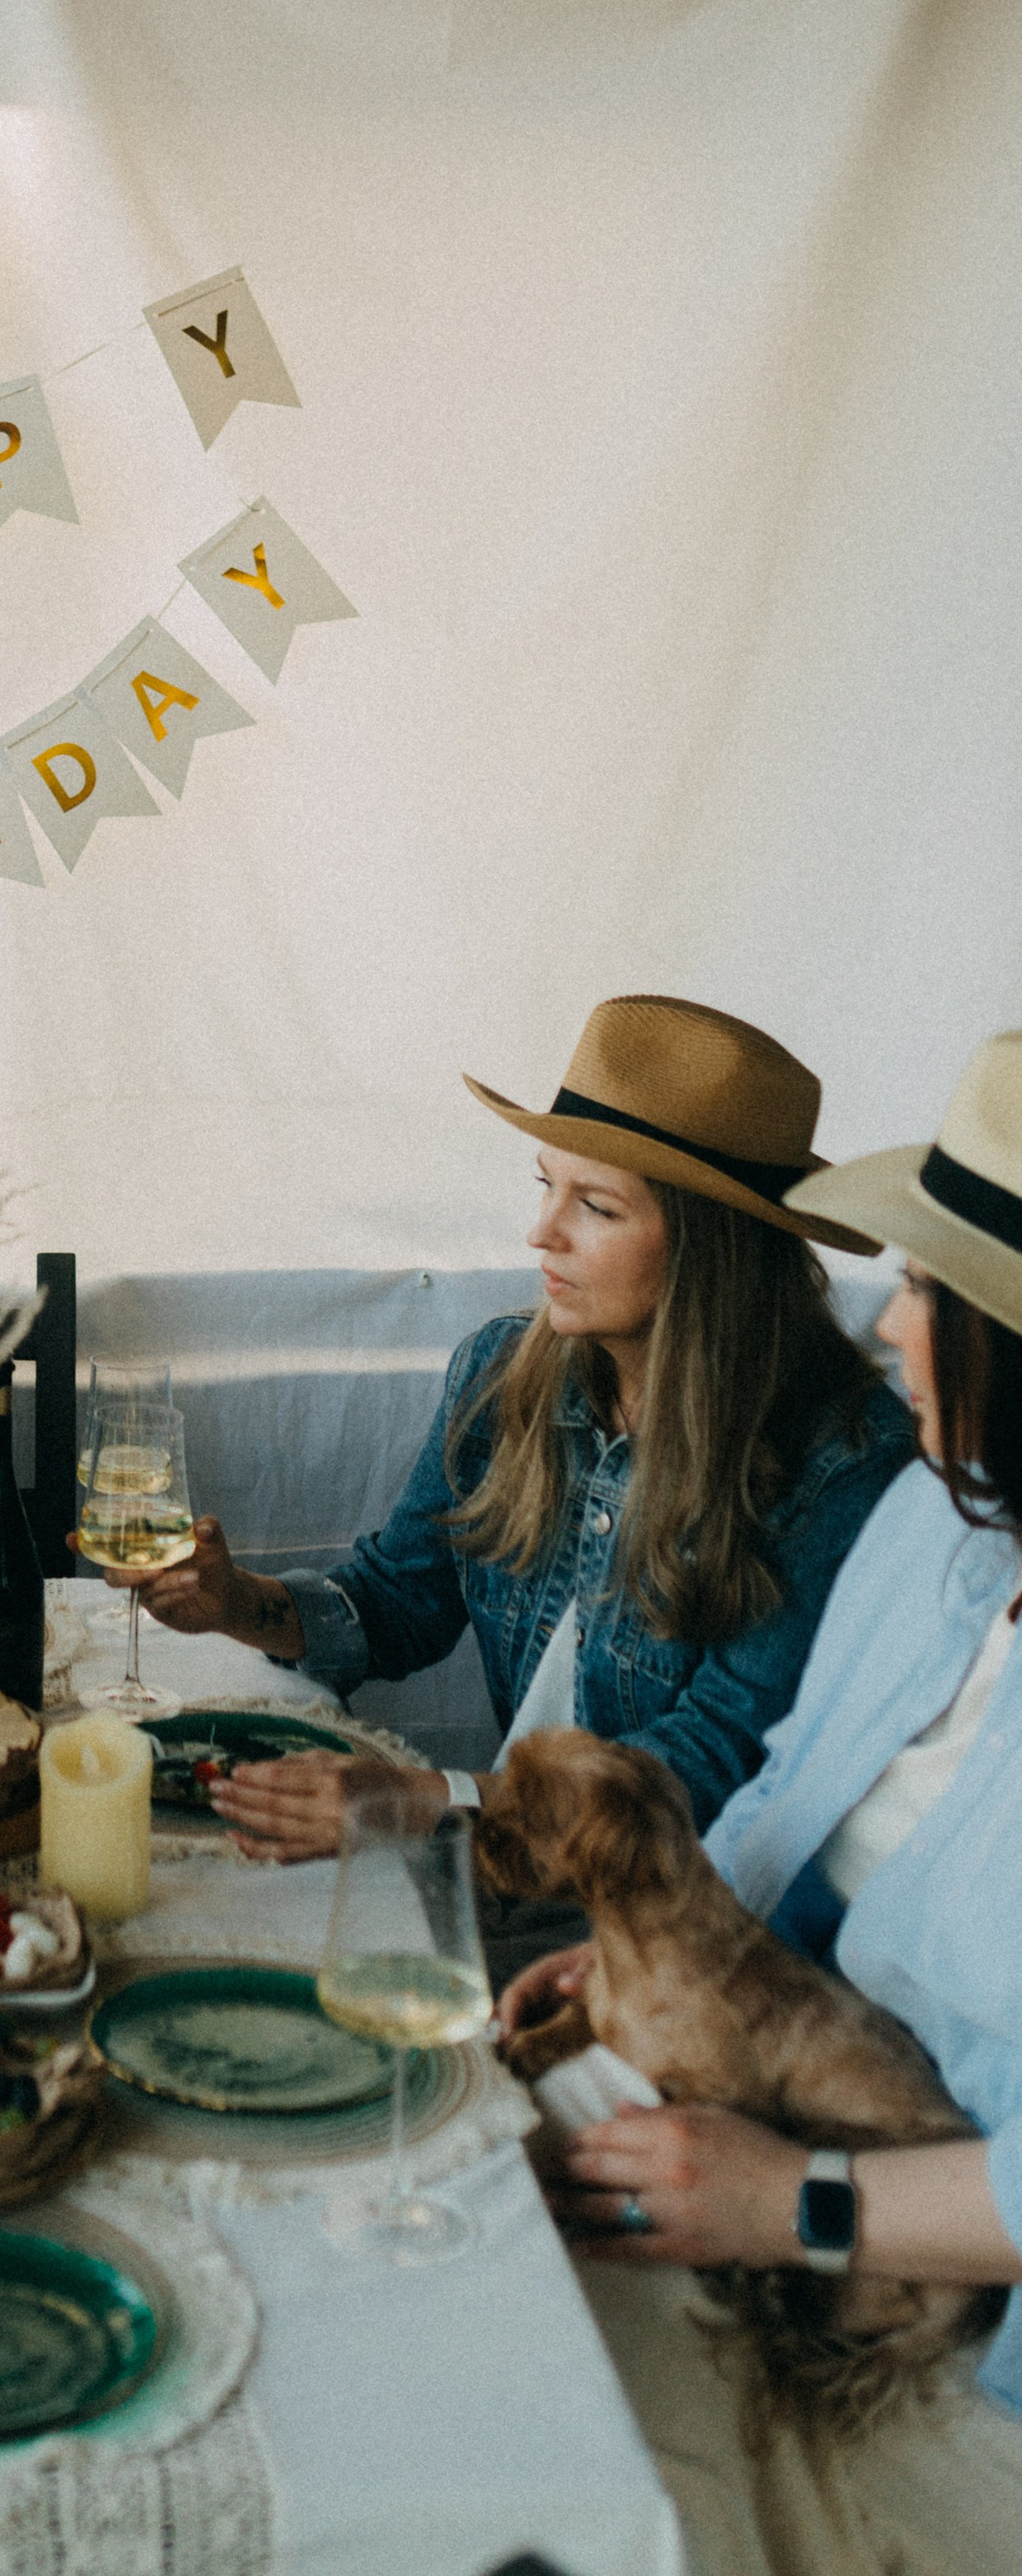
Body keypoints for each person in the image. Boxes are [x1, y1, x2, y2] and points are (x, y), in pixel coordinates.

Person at [507, 1029, 1022, 2576]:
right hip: (757, 2120)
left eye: (927, 1292)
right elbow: (784, 1790)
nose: (890, 1323)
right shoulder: (942, 1524)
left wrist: (796, 2203)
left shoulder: (872, 1471)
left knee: (565, 2495)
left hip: (936, 2313)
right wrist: (648, 1965)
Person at [105, 997, 912, 1866]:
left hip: (674, 1918)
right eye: (545, 1185)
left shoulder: (843, 1461)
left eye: (595, 1207)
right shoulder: (500, 1374)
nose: (540, 1233)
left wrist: (436, 1801)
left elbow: (712, 1761)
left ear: (711, 1251)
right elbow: (392, 1606)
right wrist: (238, 1604)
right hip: (505, 1864)